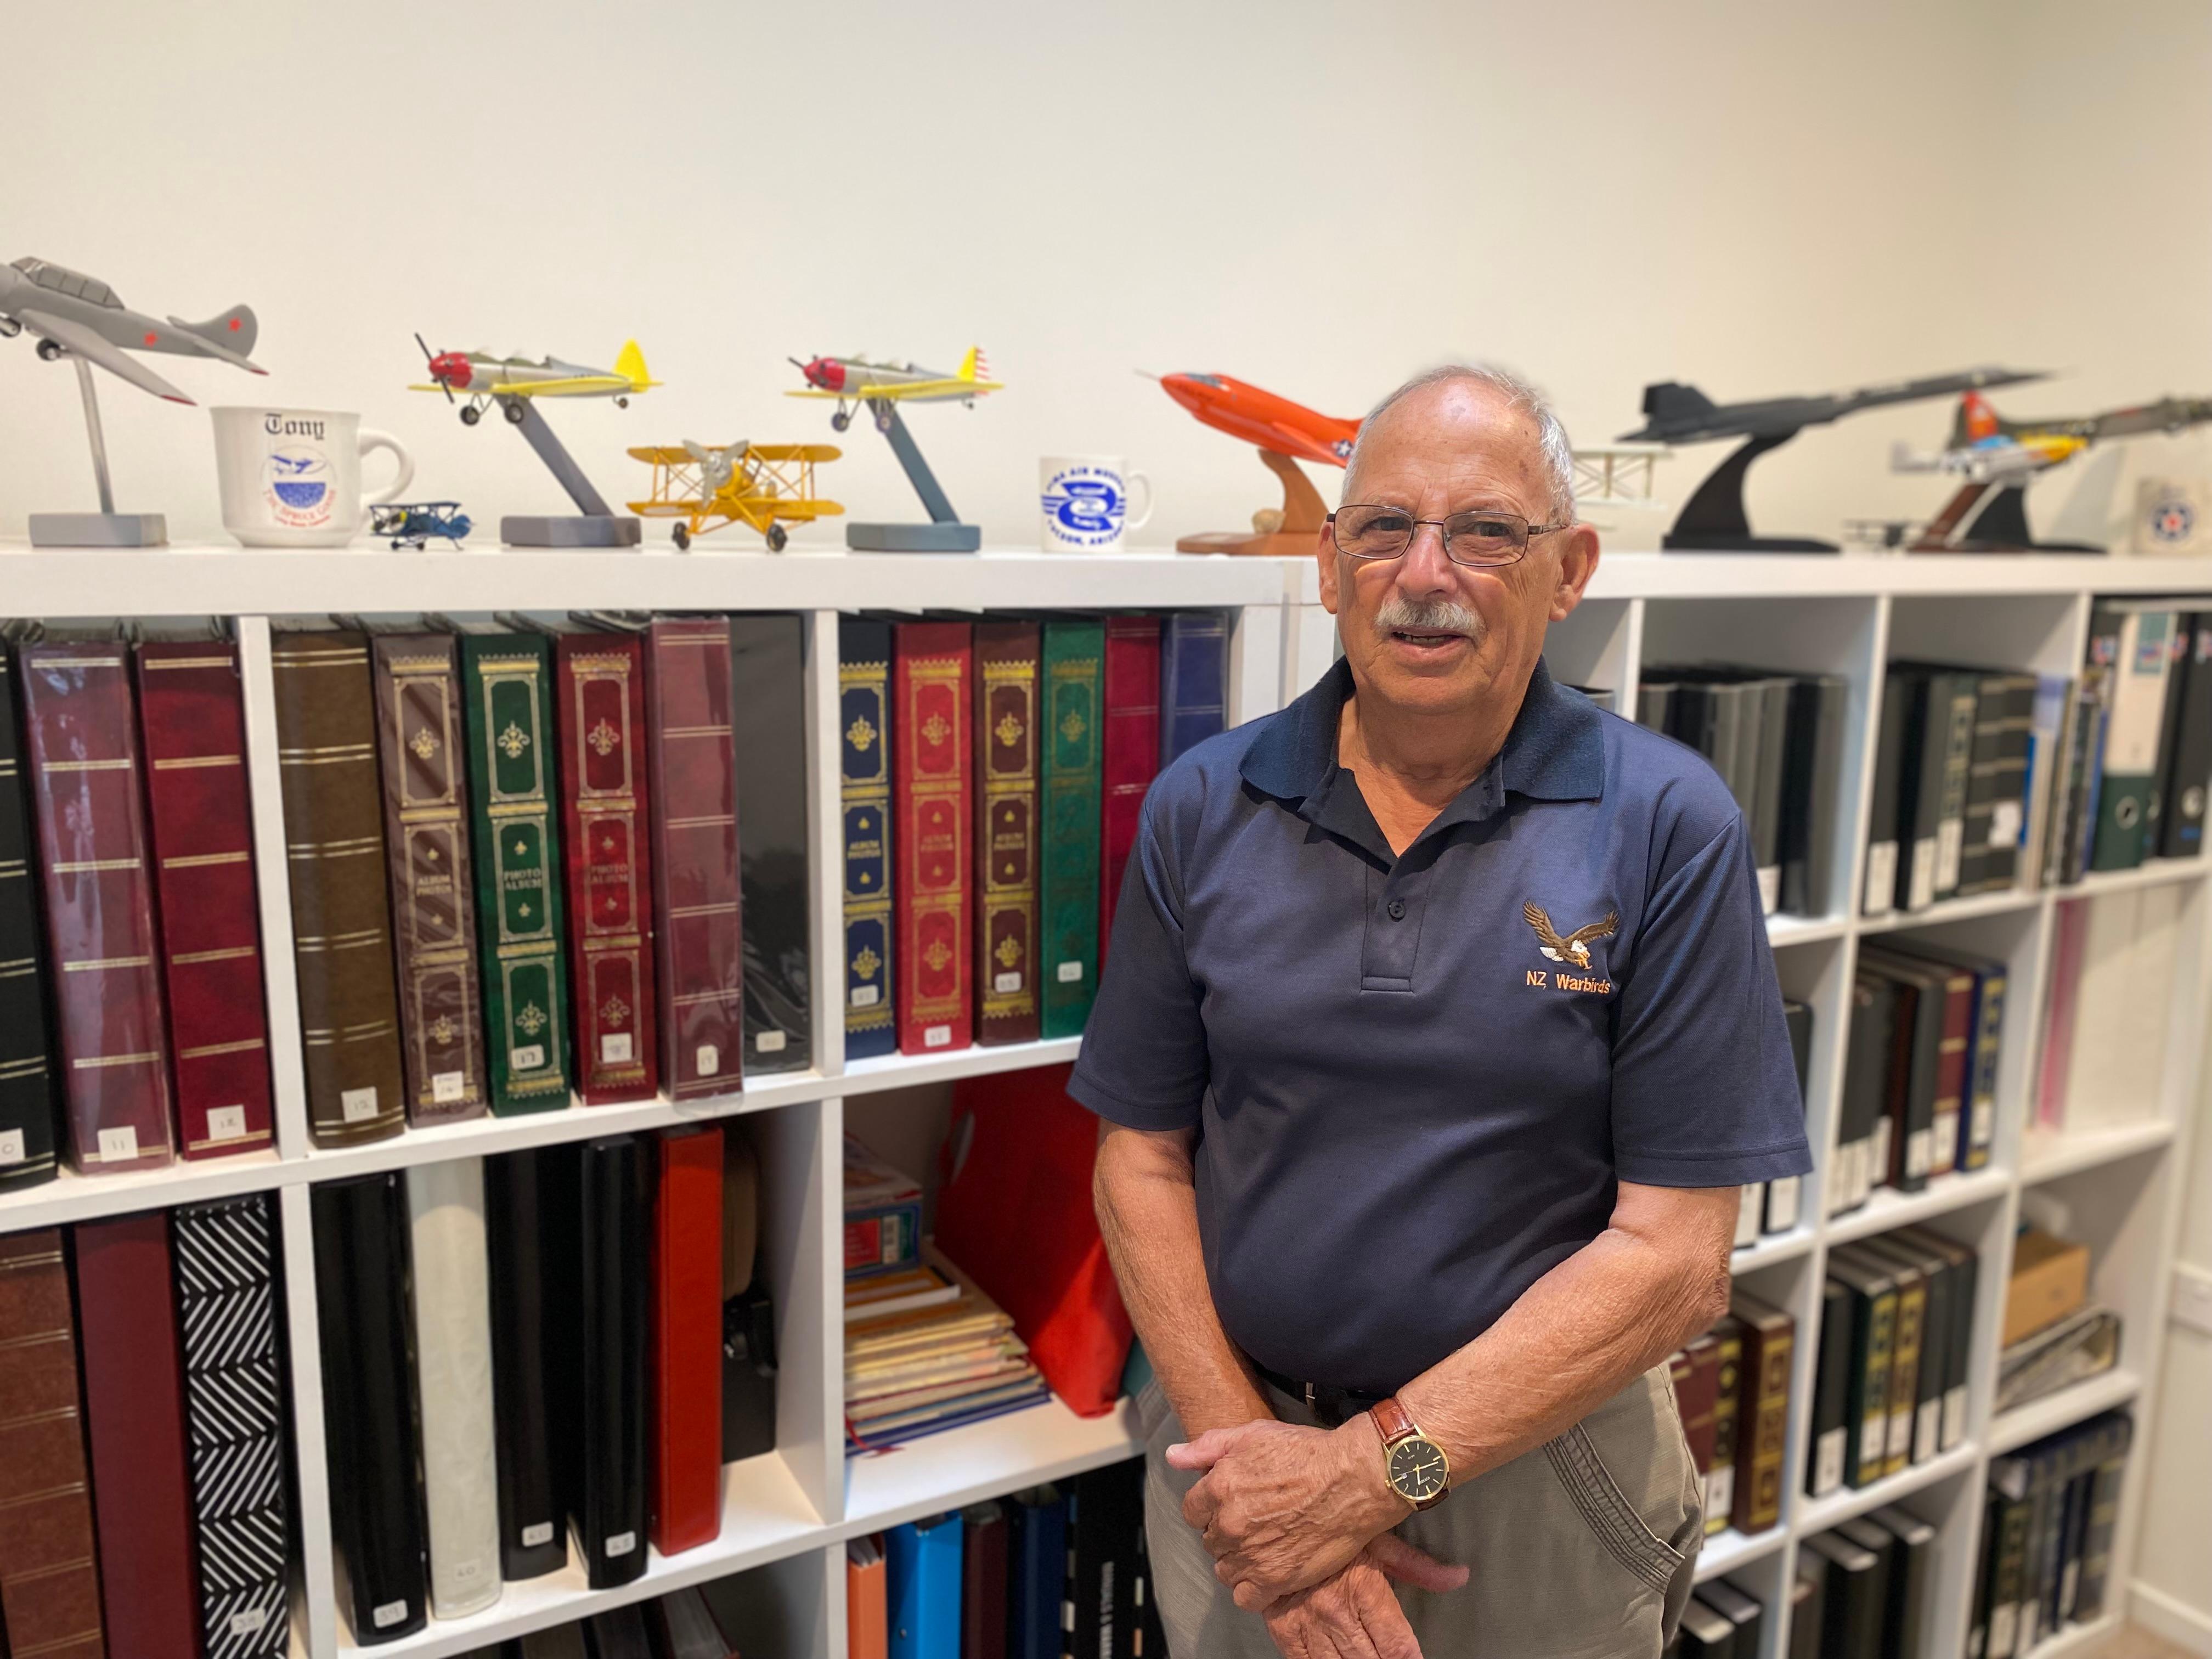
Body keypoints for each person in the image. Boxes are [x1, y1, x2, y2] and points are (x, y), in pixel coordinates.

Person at [1073, 364, 1812, 1658]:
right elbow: (1139, 1155)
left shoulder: (1667, 825)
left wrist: (1367, 1476)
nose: (1426, 573)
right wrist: (1258, 1465)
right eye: (1383, 528)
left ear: (1568, 569)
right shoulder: (1202, 805)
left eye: (1485, 532)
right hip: (1237, 1451)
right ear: (1329, 562)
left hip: (1541, 1482)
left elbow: (1677, 1260)